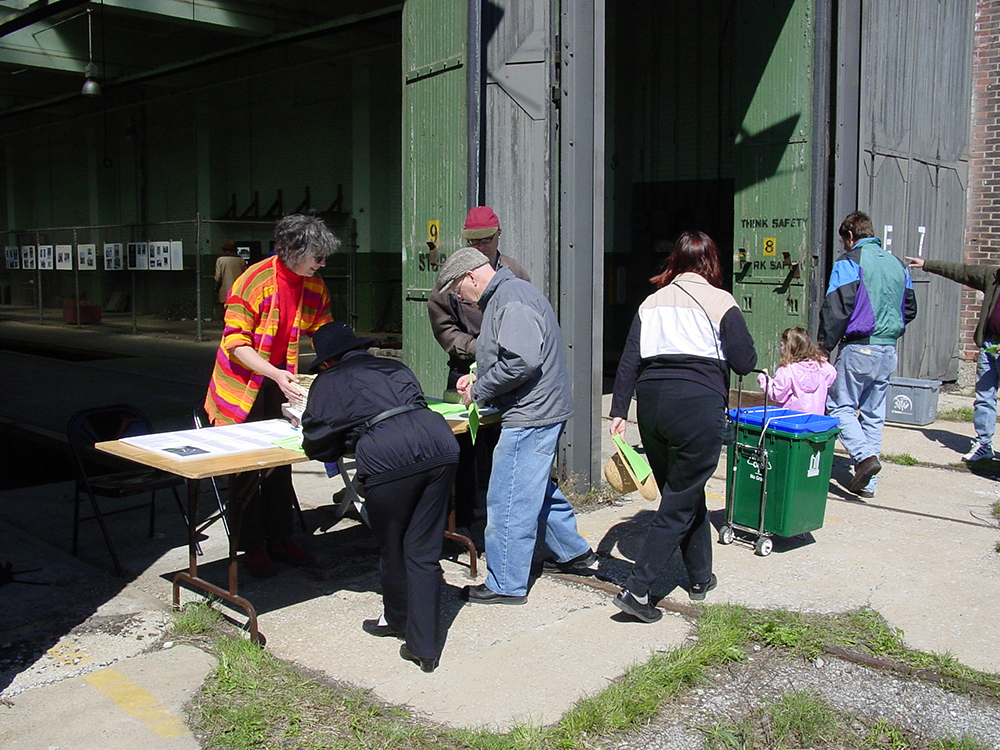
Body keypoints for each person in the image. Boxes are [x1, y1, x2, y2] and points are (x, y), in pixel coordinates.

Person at [608, 231, 757, 623]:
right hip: (696, 404)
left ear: (675, 260)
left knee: (685, 492)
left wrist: (619, 411)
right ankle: (638, 589)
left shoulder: (650, 302)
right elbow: (744, 361)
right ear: (711, 263)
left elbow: (629, 362)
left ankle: (699, 577)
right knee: (678, 500)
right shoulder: (720, 301)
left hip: (652, 407)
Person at [435, 246, 595, 605]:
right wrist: (479, 376)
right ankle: (573, 553)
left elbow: (522, 362)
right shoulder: (509, 296)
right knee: (532, 488)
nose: (460, 300)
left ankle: (505, 582)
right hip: (541, 408)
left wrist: (481, 389)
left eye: (459, 291)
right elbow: (511, 356)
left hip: (531, 414)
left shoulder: (509, 300)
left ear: (472, 277)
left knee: (508, 497)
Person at [301, 322, 459, 673]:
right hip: (441, 442)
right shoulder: (394, 366)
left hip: (388, 455)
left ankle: (398, 620)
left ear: (326, 361)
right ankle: (425, 647)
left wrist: (346, 439)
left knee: (393, 544)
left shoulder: (329, 382)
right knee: (423, 549)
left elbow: (314, 441)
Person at [204, 214, 338, 577]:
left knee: (280, 463)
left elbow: (323, 331)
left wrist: (339, 366)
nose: (322, 264)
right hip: (244, 384)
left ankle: (281, 537)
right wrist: (275, 373)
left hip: (282, 378)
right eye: (318, 257)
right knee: (247, 470)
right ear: (295, 252)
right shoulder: (254, 281)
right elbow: (235, 343)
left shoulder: (313, 284)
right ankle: (252, 546)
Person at [426, 207, 531, 549]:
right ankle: (465, 521)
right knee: (462, 450)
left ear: (499, 234)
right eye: (474, 241)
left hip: (508, 374)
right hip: (463, 372)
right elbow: (444, 327)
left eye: (487, 239)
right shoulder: (452, 278)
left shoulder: (514, 273)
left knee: (503, 447)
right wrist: (475, 349)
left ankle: (499, 521)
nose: (482, 246)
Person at [818, 211, 917, 498]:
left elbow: (837, 308)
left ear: (850, 236)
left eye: (843, 241)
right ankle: (869, 484)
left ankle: (863, 458)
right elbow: (909, 308)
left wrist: (824, 347)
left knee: (839, 406)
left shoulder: (849, 262)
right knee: (873, 415)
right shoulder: (899, 265)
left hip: (859, 346)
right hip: (888, 349)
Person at [905, 255, 999, 462]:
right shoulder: (993, 276)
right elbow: (962, 271)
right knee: (984, 397)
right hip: (990, 346)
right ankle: (984, 444)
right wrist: (928, 264)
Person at [757, 327, 836, 415]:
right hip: (815, 420)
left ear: (789, 348)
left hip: (790, 420)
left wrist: (764, 379)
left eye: (782, 345)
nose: (781, 348)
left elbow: (777, 394)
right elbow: (831, 376)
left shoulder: (787, 370)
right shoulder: (822, 366)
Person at [213, 240, 246, 321]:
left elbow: (218, 277)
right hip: (239, 291)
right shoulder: (241, 260)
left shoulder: (221, 260)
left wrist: (216, 288)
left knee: (225, 314)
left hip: (224, 291)